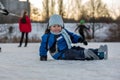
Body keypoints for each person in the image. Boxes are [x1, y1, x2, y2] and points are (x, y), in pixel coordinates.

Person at [39, 14, 108, 61]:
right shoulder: (48, 36)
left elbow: (72, 36)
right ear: (50, 27)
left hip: (68, 49)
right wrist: (43, 55)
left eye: (58, 26)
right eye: (54, 26)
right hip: (60, 54)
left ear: (61, 26)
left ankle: (99, 52)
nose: (56, 28)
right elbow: (43, 47)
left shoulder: (63, 31)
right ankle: (91, 54)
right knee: (76, 53)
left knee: (80, 49)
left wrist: (80, 39)